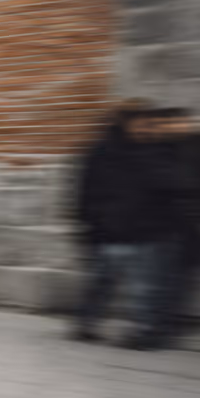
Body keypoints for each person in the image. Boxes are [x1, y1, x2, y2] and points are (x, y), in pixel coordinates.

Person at [72, 102, 177, 350]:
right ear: (124, 123)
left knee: (144, 288)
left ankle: (143, 332)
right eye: (140, 123)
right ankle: (86, 324)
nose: (145, 128)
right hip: (109, 234)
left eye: (148, 124)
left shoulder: (154, 151)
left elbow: (166, 189)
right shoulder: (100, 152)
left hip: (144, 233)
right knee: (102, 284)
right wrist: (91, 223)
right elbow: (85, 192)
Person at [153, 108, 200, 335]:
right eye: (169, 123)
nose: (174, 127)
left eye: (178, 123)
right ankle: (164, 322)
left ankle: (166, 323)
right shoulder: (165, 149)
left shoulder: (196, 150)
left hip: (189, 226)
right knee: (168, 278)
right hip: (168, 225)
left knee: (177, 279)